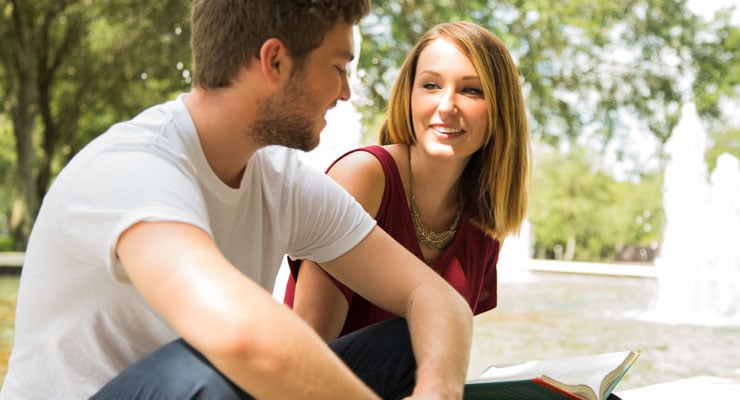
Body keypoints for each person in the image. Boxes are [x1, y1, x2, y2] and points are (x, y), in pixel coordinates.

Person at [0, 2, 474, 399]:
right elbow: (240, 336)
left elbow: (435, 297)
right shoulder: (133, 167)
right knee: (203, 368)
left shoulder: (280, 181)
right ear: (275, 62)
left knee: (409, 345)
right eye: (337, 68)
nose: (345, 93)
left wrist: (438, 389)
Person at [284, 21, 531, 341]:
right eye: (431, 85)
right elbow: (309, 348)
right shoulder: (362, 177)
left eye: (471, 90)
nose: (446, 106)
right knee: (414, 331)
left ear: (500, 109)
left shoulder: (484, 221)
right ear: (409, 94)